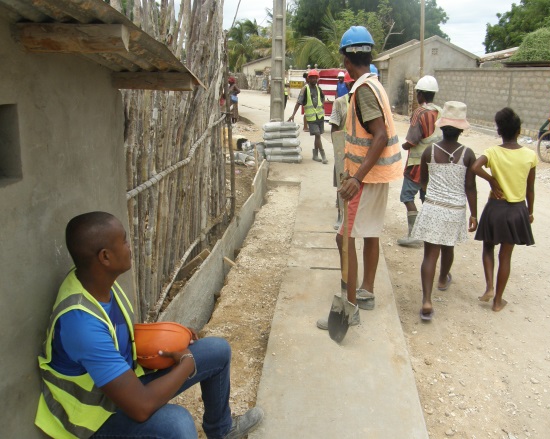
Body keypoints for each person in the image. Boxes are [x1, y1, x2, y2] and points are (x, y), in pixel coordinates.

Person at [35, 212, 263, 439]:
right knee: (177, 423)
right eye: (124, 240)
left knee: (216, 350)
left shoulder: (97, 283)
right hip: (93, 421)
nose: (129, 246)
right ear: (105, 257)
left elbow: (120, 337)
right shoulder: (82, 326)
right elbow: (141, 407)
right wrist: (185, 364)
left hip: (124, 385)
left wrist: (173, 339)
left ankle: (221, 431)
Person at [317, 26, 403, 329]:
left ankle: (349, 308)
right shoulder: (375, 84)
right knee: (369, 232)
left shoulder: (364, 90)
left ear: (346, 60)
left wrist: (356, 178)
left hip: (366, 178)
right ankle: (364, 292)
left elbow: (379, 136)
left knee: (344, 237)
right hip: (376, 176)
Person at [410, 101, 478, 320]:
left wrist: (431, 195)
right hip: (454, 209)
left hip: (433, 206)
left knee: (430, 254)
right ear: (461, 130)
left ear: (442, 126)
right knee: (448, 247)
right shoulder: (468, 154)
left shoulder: (429, 151)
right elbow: (470, 187)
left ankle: (427, 300)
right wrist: (474, 214)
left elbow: (423, 182)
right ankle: (442, 279)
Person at [471, 108, 537, 312]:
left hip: (495, 209)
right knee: (505, 257)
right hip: (517, 209)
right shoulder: (530, 156)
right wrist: (530, 211)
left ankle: (489, 286)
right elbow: (530, 188)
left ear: (499, 131)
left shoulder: (492, 152)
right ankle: (498, 301)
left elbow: (474, 167)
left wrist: (491, 180)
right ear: (519, 131)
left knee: (488, 247)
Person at [397, 75, 443, 247]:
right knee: (427, 197)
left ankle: (414, 234)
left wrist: (404, 145)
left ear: (421, 95)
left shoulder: (420, 113)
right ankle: (430, 234)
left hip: (417, 164)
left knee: (407, 196)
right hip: (435, 163)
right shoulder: (440, 111)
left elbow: (413, 140)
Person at [330, 71, 354, 230]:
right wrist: (337, 148)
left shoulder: (365, 103)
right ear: (347, 84)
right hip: (342, 146)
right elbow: (334, 126)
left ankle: (352, 213)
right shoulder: (340, 103)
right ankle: (340, 213)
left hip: (358, 149)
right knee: (341, 179)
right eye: (351, 83)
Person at [288, 69, 328, 164]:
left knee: (317, 136)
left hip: (319, 116)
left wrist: (322, 103)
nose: (314, 79)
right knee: (317, 135)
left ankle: (315, 155)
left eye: (315, 78)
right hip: (311, 117)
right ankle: (323, 155)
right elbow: (298, 102)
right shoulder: (305, 89)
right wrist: (293, 114)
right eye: (312, 78)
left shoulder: (318, 89)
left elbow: (323, 98)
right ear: (308, 79)